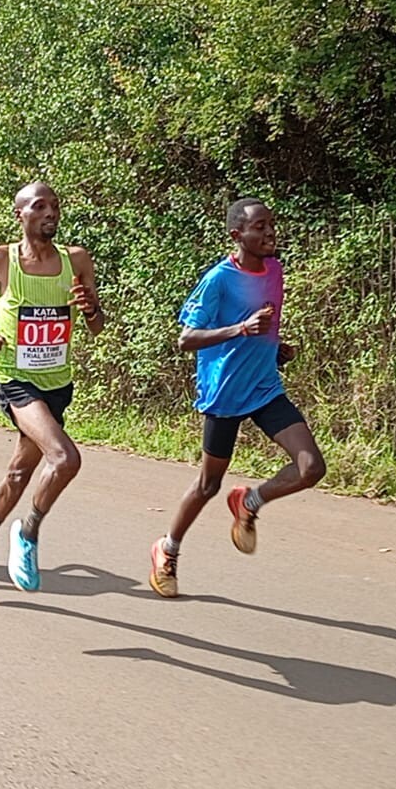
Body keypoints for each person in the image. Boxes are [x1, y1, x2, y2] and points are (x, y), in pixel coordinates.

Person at [148, 198, 326, 599]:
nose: (270, 232)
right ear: (237, 235)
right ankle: (167, 549)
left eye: (271, 224)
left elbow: (265, 326)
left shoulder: (275, 269)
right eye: (259, 226)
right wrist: (241, 329)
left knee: (311, 467)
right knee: (208, 485)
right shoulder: (218, 279)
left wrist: (274, 349)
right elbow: (186, 338)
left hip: (264, 388)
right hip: (224, 394)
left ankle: (250, 501)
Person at [0, 182, 105, 592]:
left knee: (20, 474)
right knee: (65, 458)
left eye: (55, 205)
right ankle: (28, 532)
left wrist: (91, 308)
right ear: (20, 214)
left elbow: (96, 325)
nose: (50, 212)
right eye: (39, 206)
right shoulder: (0, 259)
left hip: (57, 382)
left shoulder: (77, 260)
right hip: (14, 378)